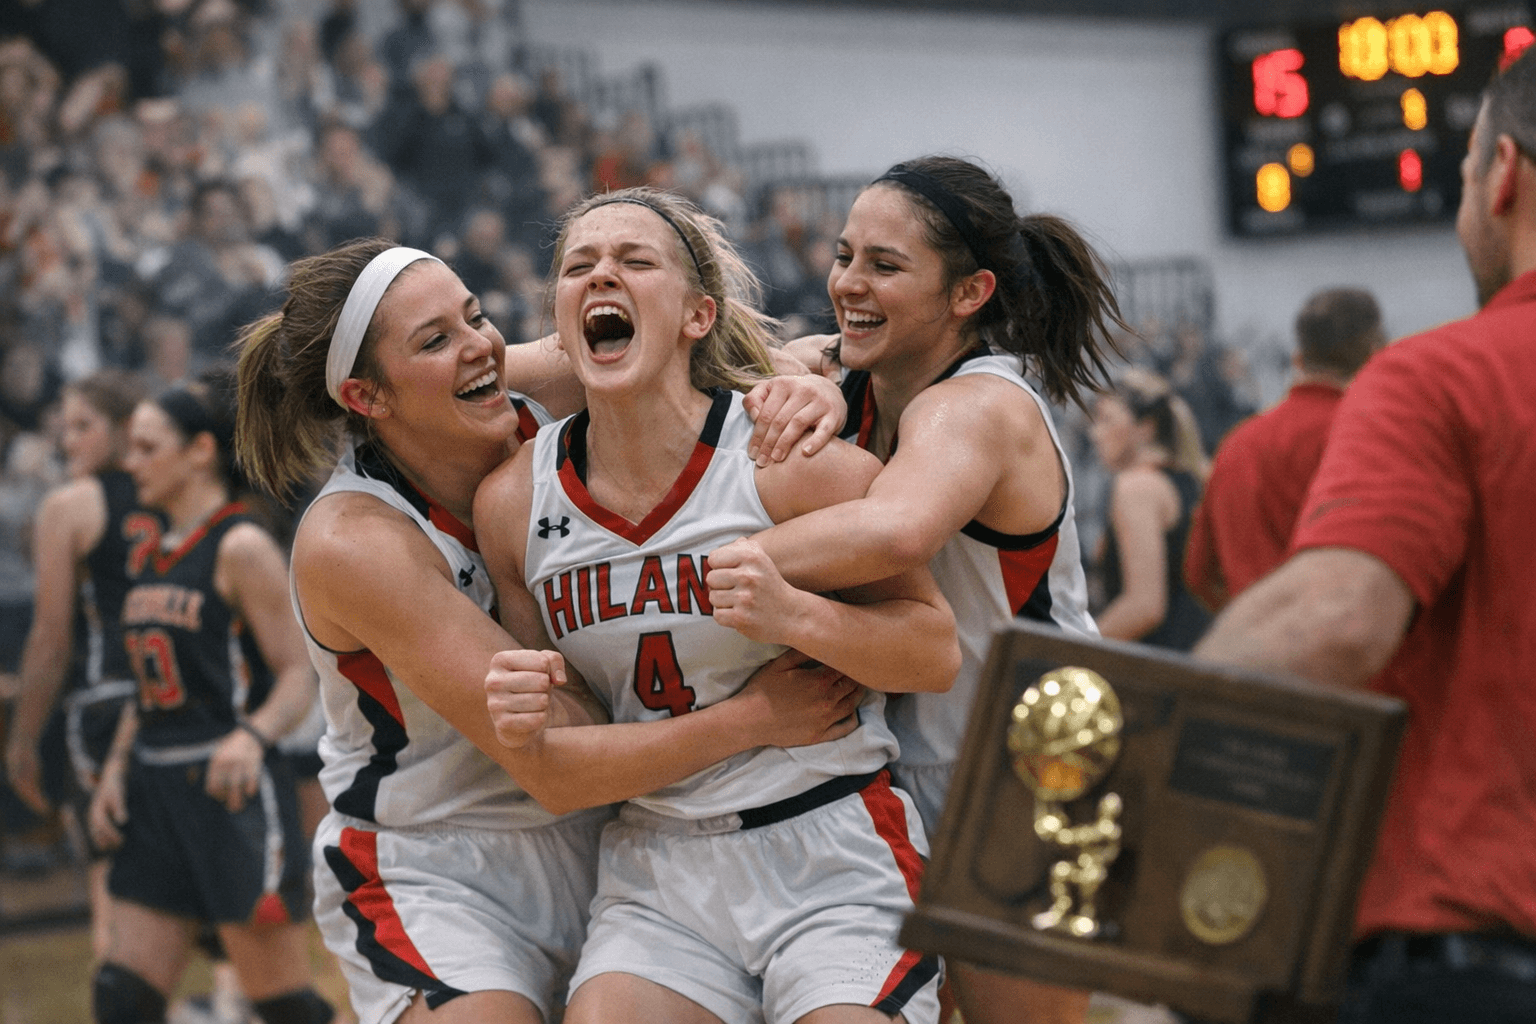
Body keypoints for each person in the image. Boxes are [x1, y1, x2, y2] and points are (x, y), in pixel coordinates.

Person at [234, 236, 862, 1024]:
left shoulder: (543, 399)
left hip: (609, 829)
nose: (479, 348)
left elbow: (741, 347)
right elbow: (559, 761)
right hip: (438, 856)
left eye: (474, 316)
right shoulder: (355, 541)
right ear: (367, 398)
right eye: (435, 340)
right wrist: (757, 716)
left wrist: (812, 390)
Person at [474, 186, 962, 1024]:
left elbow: (932, 650)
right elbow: (580, 715)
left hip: (830, 846)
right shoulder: (512, 503)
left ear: (698, 315)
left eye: (634, 261)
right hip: (656, 864)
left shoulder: (793, 461)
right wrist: (535, 706)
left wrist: (797, 617)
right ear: (558, 323)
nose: (602, 278)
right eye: (578, 267)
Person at [1194, 47, 1536, 1024]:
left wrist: (1132, 771)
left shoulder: (1437, 379)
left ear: (1500, 175)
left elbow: (1328, 618)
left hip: (1470, 944)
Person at [751, 156, 1126, 1024]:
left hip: (1028, 766)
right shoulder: (844, 371)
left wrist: (685, 564)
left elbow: (894, 532)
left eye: (885, 265)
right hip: (898, 758)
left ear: (968, 294)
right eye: (844, 256)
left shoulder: (978, 405)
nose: (848, 283)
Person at [85, 370, 334, 1024]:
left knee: (284, 1007)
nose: (130, 461)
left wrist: (252, 737)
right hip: (153, 786)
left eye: (146, 447)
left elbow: (297, 673)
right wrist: (114, 769)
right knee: (122, 998)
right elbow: (148, 689)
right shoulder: (152, 548)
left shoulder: (241, 544)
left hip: (231, 791)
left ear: (199, 452)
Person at [4, 369, 154, 961]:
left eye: (82, 427)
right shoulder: (182, 489)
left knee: (111, 889)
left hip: (107, 701)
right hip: (186, 700)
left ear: (124, 430)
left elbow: (50, 640)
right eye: (64, 429)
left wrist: (22, 741)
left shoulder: (69, 505)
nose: (68, 441)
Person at [1183, 288, 1384, 610]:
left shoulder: (1237, 444)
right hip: (1349, 645)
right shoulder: (1370, 438)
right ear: (1376, 355)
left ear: (1299, 360)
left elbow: (1199, 573)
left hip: (1249, 650)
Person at [1089, 367, 1211, 650]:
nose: (1096, 434)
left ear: (1146, 427)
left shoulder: (1138, 487)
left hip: (1156, 668)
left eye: (1107, 420)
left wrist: (1066, 653)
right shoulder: (1192, 481)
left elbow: (1144, 607)